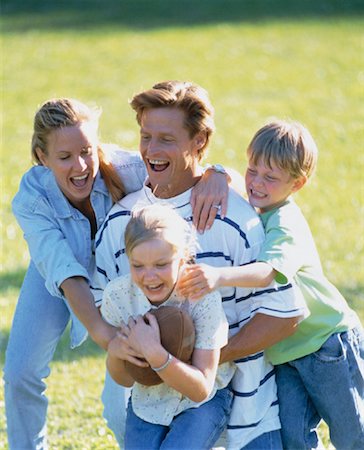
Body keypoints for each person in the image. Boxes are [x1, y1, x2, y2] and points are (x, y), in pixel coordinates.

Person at [3, 97, 231, 450]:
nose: (81, 166)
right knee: (20, 372)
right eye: (64, 157)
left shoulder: (127, 168)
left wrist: (218, 174)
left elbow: (184, 169)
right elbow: (66, 273)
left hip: (125, 270)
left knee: (125, 399)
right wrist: (108, 337)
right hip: (58, 272)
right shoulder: (32, 198)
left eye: (87, 151)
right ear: (41, 157)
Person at [94, 81, 309, 449]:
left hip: (243, 406)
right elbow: (110, 315)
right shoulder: (119, 223)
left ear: (200, 142)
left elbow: (285, 314)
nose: (151, 150)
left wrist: (194, 358)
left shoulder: (237, 218)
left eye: (166, 138)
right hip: (149, 407)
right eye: (146, 136)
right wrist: (146, 358)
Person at [178, 119, 364, 450]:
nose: (256, 183)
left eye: (270, 177)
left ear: (298, 184)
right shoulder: (256, 207)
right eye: (253, 170)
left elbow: (268, 271)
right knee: (293, 438)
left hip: (326, 343)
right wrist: (217, 172)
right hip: (285, 355)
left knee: (353, 435)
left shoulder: (284, 222)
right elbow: (233, 179)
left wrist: (217, 276)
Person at [101, 204, 235, 449]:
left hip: (202, 404)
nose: (149, 276)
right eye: (138, 266)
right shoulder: (119, 296)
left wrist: (154, 353)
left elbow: (201, 389)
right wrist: (115, 352)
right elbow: (125, 380)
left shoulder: (202, 298)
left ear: (183, 258)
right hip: (148, 402)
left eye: (161, 265)